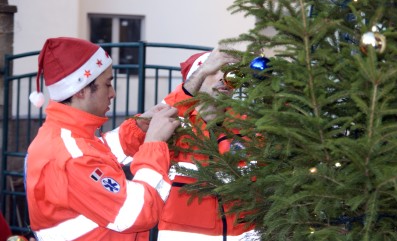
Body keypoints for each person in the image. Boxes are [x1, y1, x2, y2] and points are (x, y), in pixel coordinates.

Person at [25, 37, 180, 241]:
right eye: (107, 84)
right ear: (80, 90)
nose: (113, 93)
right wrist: (153, 145)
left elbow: (101, 152)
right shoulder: (71, 157)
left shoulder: (65, 136)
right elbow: (139, 211)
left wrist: (139, 129)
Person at [157, 47, 258, 241]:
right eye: (214, 70)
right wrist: (202, 71)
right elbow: (142, 126)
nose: (224, 79)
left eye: (230, 72)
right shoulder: (173, 125)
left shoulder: (246, 127)